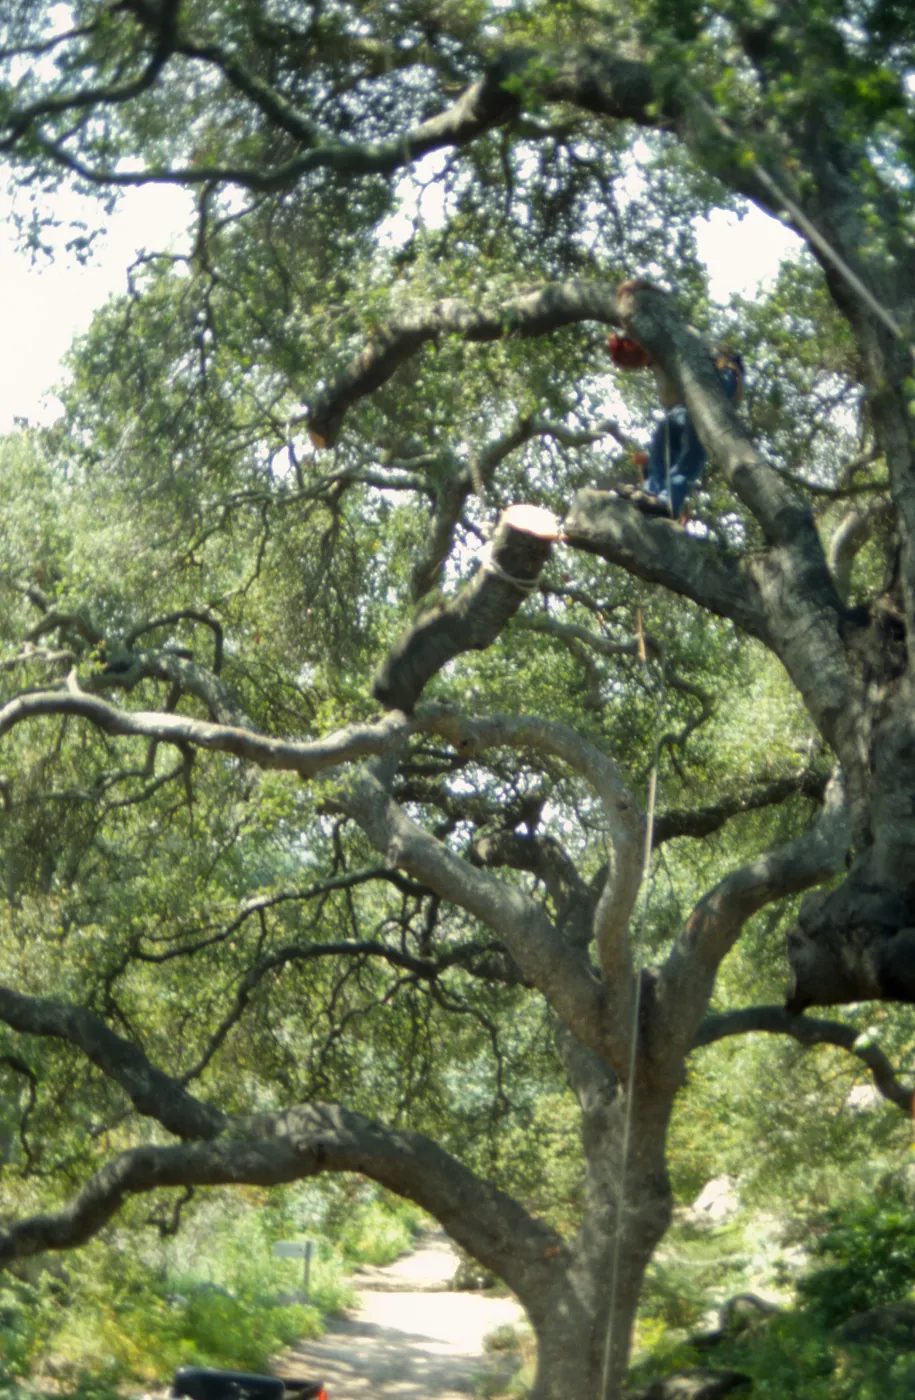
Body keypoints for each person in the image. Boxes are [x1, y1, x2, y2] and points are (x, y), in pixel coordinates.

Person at [607, 334, 744, 519]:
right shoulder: (657, 362)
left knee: (695, 440)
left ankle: (671, 500)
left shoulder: (668, 339)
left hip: (720, 376)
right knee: (667, 426)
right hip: (693, 393)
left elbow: (670, 396)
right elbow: (669, 402)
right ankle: (651, 493)